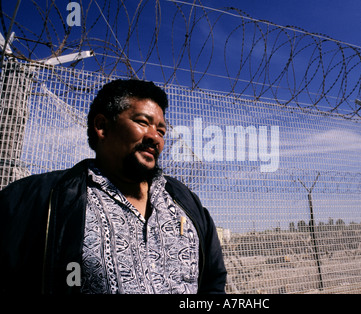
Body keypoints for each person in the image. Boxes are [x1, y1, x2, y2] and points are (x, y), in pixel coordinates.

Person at [0, 79, 227, 294]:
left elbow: (213, 281)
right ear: (102, 126)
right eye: (142, 122)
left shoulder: (185, 203)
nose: (155, 137)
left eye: (161, 130)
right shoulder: (39, 201)